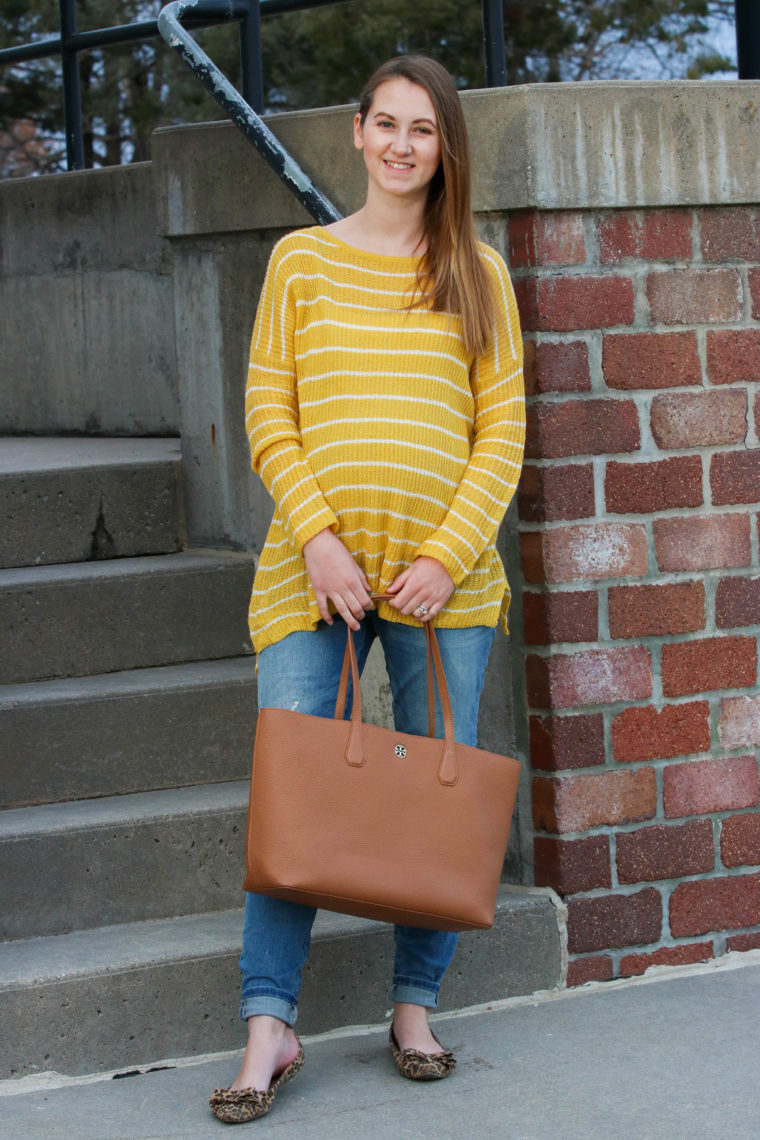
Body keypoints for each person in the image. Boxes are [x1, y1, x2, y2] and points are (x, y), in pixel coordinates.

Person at [210, 53, 525, 1125]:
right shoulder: (300, 262)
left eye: (422, 130)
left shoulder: (476, 274)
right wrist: (318, 540)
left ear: (445, 148)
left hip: (449, 583)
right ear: (355, 134)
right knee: (290, 798)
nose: (400, 145)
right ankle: (269, 1024)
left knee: (433, 803)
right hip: (316, 577)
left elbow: (502, 433)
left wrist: (445, 553)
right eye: (384, 124)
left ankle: (414, 1007)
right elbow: (268, 411)